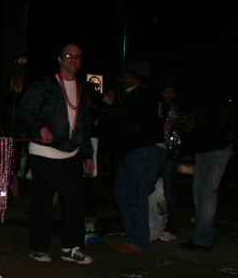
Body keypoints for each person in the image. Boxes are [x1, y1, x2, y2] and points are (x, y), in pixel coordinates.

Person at [17, 43, 94, 264]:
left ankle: (72, 247)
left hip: (72, 152)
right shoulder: (45, 84)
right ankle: (39, 248)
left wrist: (88, 155)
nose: (74, 59)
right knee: (43, 201)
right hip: (44, 151)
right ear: (59, 59)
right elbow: (24, 111)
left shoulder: (82, 87)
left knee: (76, 201)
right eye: (69, 55)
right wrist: (41, 127)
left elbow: (84, 125)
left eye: (78, 56)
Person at [99, 61, 165, 254]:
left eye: (125, 76)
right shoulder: (136, 96)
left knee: (135, 195)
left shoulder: (140, 96)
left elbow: (121, 116)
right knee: (121, 193)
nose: (121, 79)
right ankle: (134, 238)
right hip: (136, 149)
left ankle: (139, 242)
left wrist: (104, 107)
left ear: (133, 77)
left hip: (144, 148)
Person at [177, 70, 232, 252]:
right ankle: (205, 233)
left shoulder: (200, 98)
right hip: (221, 145)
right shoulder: (218, 95)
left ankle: (202, 238)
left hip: (210, 147)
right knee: (208, 193)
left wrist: (177, 124)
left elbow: (193, 126)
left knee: (203, 194)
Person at [157, 77, 183, 242]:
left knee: (169, 189)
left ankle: (171, 227)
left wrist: (177, 123)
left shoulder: (178, 108)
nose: (170, 95)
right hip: (156, 149)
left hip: (170, 153)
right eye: (167, 92)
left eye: (172, 92)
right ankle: (154, 221)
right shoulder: (157, 106)